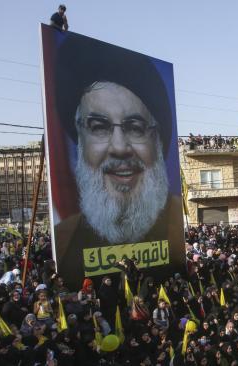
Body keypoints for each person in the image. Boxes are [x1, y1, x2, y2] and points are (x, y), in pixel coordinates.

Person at [50, 30, 184, 287]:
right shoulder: (64, 240)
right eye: (99, 126)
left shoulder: (178, 226)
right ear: (79, 137)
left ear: (157, 140)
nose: (120, 147)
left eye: (135, 127)